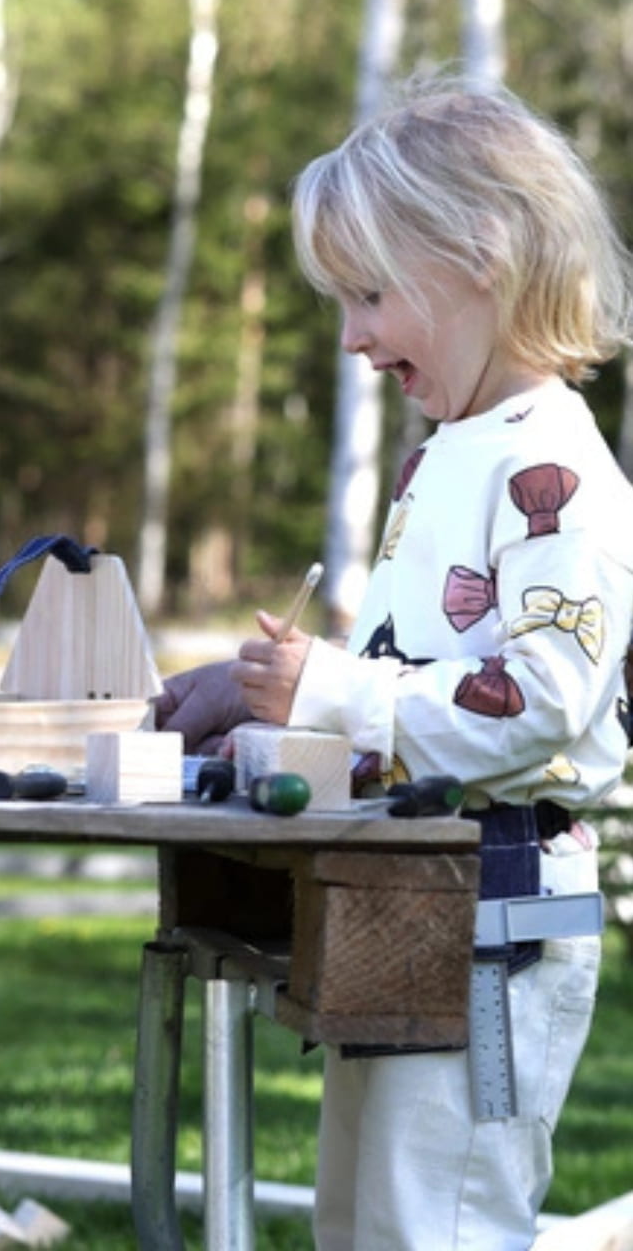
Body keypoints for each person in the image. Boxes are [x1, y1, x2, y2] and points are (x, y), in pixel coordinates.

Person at [156, 75, 633, 1250]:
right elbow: (410, 679)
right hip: (417, 903)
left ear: (483, 255)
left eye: (370, 294)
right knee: (361, 1221)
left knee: (442, 1225)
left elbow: (539, 701)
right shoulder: (453, 453)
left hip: (500, 921)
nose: (354, 335)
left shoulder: (555, 469)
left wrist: (326, 687)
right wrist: (250, 694)